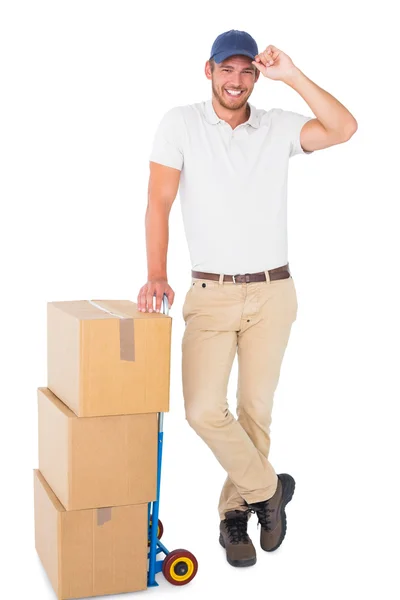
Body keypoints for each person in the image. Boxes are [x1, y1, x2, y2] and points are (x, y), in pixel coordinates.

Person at [137, 30, 357, 567]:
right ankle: (268, 492)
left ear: (256, 76)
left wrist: (293, 75)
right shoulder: (180, 123)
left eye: (247, 71)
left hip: (273, 292)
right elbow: (159, 202)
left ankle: (233, 516)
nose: (236, 81)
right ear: (208, 70)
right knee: (204, 409)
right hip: (210, 293)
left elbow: (344, 128)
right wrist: (156, 274)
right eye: (226, 69)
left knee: (256, 412)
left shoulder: (276, 126)